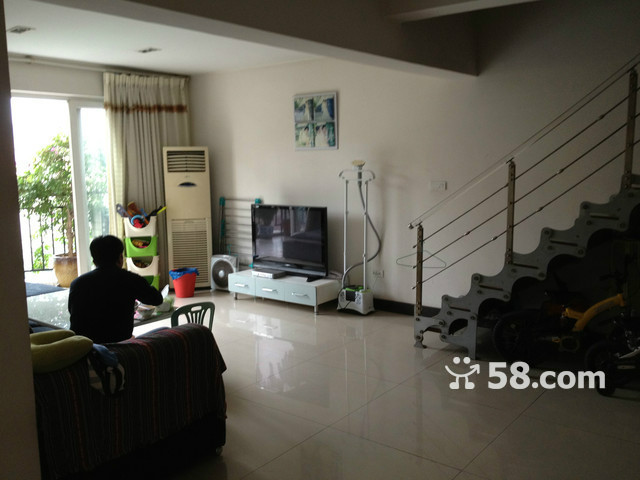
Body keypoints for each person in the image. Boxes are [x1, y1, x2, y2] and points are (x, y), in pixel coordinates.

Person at [69, 235, 163, 343]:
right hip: (120, 346)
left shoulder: (77, 284)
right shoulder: (130, 279)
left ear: (94, 261)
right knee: (163, 330)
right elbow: (157, 299)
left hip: (84, 347)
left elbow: (74, 315)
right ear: (120, 258)